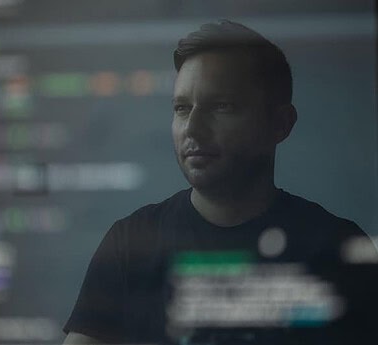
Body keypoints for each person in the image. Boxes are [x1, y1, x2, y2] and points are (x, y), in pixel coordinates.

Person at [63, 20, 378, 345]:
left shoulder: (337, 250)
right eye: (182, 108)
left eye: (222, 106)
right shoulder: (129, 242)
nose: (193, 129)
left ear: (281, 124)